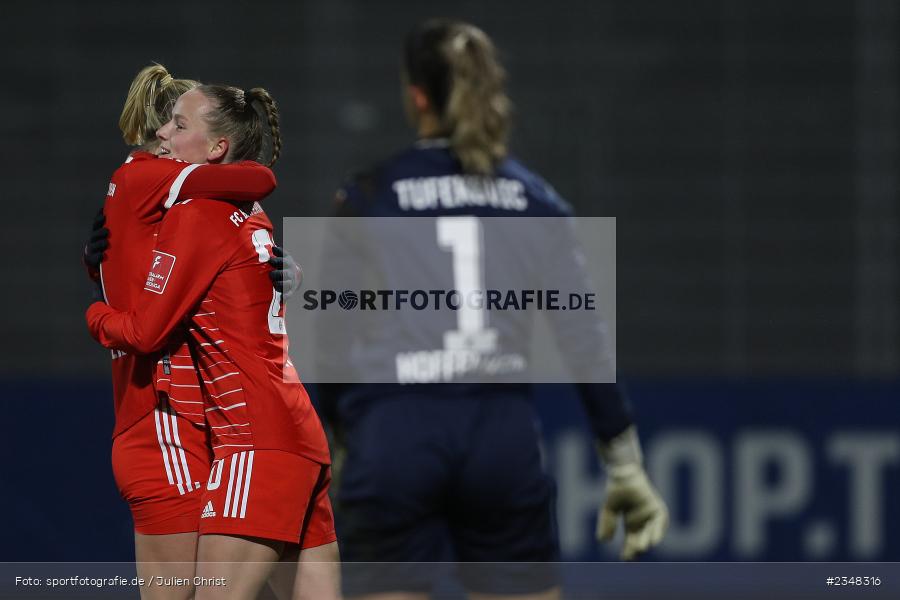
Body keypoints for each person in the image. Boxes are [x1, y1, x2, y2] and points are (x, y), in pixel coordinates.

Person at [318, 18, 668, 599]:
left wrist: (333, 438)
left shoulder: (368, 195)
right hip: (498, 439)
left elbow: (329, 334)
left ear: (418, 96)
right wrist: (624, 459)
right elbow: (584, 341)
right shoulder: (537, 200)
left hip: (393, 438)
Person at [86, 83, 338, 600]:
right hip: (298, 431)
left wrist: (95, 313)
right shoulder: (252, 215)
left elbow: (145, 329)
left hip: (251, 437)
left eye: (180, 125)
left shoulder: (194, 211)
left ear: (216, 148)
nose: (163, 135)